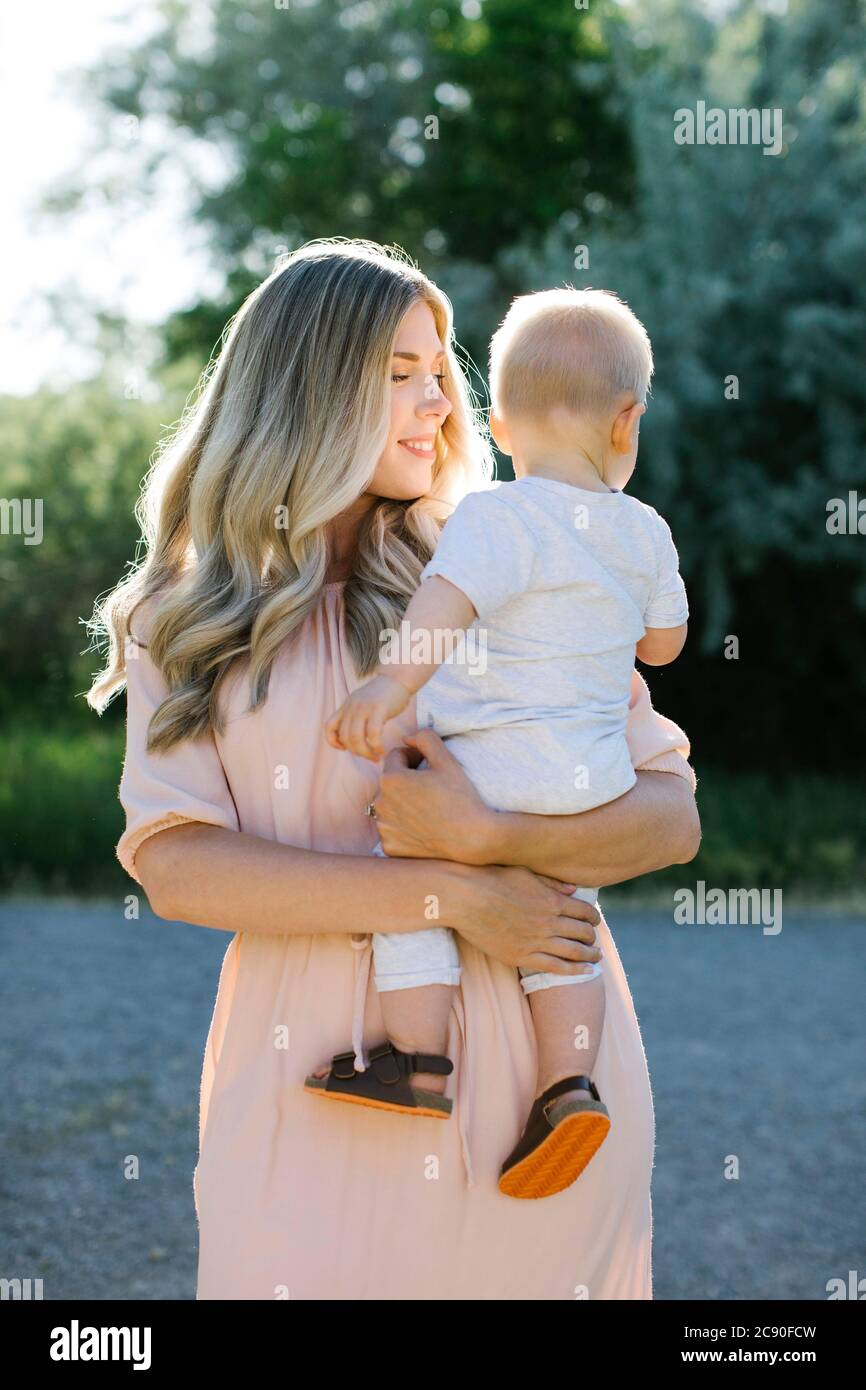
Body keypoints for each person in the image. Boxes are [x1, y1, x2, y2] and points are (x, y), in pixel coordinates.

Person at [89, 238, 700, 1299]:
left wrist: (493, 843)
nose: (443, 405)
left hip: (541, 1092)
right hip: (310, 1074)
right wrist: (451, 893)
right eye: (400, 373)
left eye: (442, 370)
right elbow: (178, 867)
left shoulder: (494, 559)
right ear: (309, 388)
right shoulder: (181, 619)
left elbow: (668, 818)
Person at [322, 288, 689, 1201]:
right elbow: (664, 646)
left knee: (406, 873)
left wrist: (387, 686)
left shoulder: (492, 517)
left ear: (499, 426)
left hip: (481, 770)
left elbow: (442, 614)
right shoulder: (645, 531)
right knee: (566, 924)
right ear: (627, 422)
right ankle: (568, 1085)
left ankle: (417, 1060)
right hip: (590, 781)